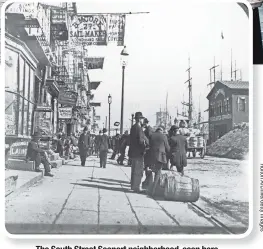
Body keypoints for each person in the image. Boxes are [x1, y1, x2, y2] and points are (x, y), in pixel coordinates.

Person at [128, 112, 148, 193]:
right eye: (142, 119)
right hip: (138, 152)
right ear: (139, 119)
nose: (142, 120)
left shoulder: (133, 127)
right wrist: (145, 147)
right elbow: (140, 140)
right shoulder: (138, 128)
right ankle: (136, 187)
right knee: (138, 170)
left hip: (133, 152)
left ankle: (133, 185)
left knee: (134, 170)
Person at [148, 126, 170, 196]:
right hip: (160, 157)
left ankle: (149, 187)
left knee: (151, 171)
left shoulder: (152, 135)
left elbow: (149, 145)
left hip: (151, 156)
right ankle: (154, 191)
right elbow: (167, 148)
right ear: (162, 130)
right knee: (158, 173)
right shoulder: (164, 136)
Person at [142, 118, 154, 189]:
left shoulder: (148, 130)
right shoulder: (150, 129)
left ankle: (148, 181)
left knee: (147, 166)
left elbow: (149, 140)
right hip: (149, 150)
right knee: (147, 166)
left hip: (148, 150)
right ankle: (148, 180)